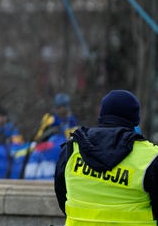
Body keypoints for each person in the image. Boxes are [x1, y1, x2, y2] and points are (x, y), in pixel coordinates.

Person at [54, 90, 158, 225]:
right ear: (135, 119)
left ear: (101, 115)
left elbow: (62, 197)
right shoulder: (150, 158)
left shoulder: (72, 150)